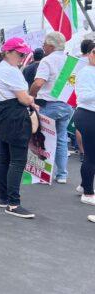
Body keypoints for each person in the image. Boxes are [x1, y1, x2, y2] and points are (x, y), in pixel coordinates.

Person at [0, 37, 38, 218]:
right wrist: (31, 100)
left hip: (2, 115)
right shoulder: (11, 71)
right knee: (17, 160)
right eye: (19, 53)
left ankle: (4, 198)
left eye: (24, 53)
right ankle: (13, 203)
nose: (22, 56)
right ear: (8, 52)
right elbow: (24, 98)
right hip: (14, 116)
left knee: (4, 158)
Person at [29, 32, 73, 184]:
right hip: (66, 105)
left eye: (45, 44)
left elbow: (39, 83)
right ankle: (62, 174)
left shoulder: (47, 61)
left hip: (49, 105)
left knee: (43, 139)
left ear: (51, 46)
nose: (43, 47)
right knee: (61, 140)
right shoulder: (69, 61)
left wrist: (30, 96)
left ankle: (42, 174)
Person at [75, 40, 95, 205]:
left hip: (89, 115)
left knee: (91, 155)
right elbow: (83, 97)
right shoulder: (86, 72)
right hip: (88, 115)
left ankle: (84, 185)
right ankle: (88, 192)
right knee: (91, 156)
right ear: (89, 54)